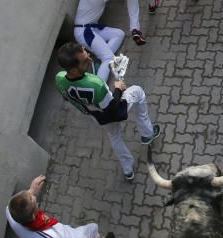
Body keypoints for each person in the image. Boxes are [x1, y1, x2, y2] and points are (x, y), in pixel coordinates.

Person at [54, 42, 161, 180]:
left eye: (87, 53)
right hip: (110, 109)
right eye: (85, 60)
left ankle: (128, 170)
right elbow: (114, 110)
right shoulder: (96, 86)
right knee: (138, 92)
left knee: (114, 136)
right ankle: (147, 134)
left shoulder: (59, 78)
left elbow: (68, 98)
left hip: (96, 116)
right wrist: (118, 88)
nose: (91, 59)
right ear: (74, 70)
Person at [6, 175, 114, 238]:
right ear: (33, 216)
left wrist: (31, 190)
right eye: (34, 201)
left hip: (67, 232)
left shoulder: (13, 213)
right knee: (93, 228)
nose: (34, 197)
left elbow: (16, 203)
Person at [73, 0, 127, 81]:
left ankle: (100, 56)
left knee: (119, 34)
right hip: (84, 32)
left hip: (91, 27)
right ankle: (100, 88)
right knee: (108, 58)